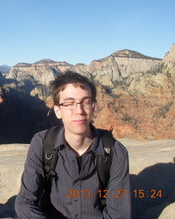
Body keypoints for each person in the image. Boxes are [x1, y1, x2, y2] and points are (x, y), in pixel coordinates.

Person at [15, 71, 131, 218]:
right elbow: (25, 202)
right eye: (69, 104)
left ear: (93, 108)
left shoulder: (115, 152)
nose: (79, 111)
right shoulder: (42, 143)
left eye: (86, 102)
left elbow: (119, 214)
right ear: (58, 111)